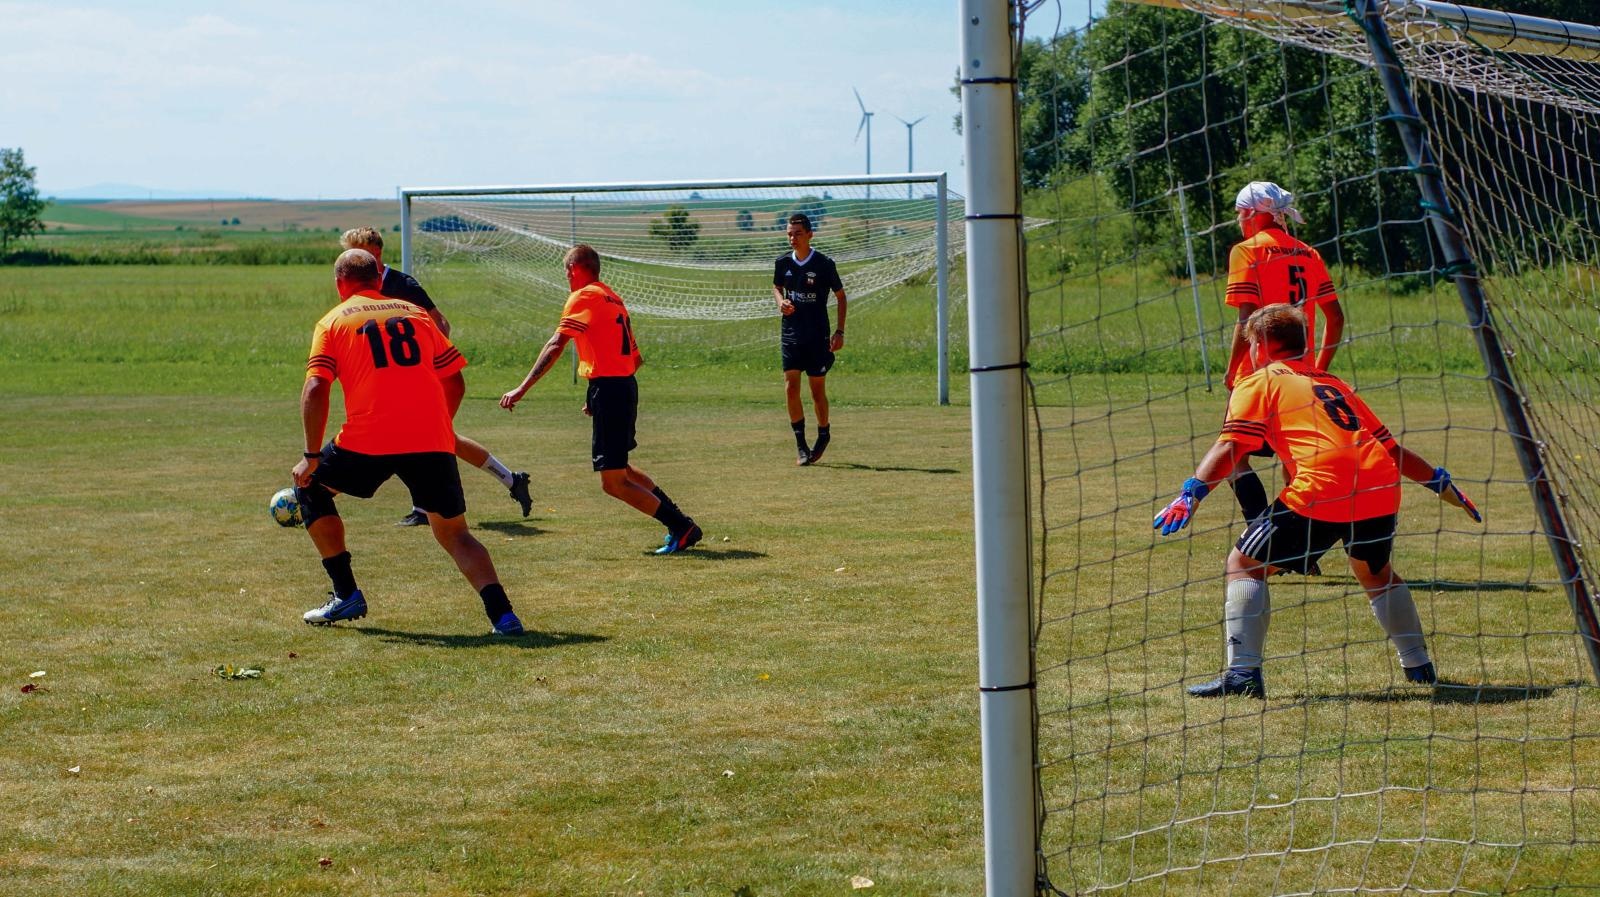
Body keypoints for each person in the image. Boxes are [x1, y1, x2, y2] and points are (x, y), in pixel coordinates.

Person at [1153, 304, 1481, 698]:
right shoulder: (1333, 382)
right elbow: (1390, 449)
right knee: (1375, 574)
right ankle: (1419, 666)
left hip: (1324, 487)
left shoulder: (1260, 381)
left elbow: (1231, 444)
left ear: (1261, 344)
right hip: (1379, 485)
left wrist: (1190, 494)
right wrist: (1440, 484)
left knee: (1243, 565)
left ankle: (1242, 677)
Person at [293, 249, 524, 634]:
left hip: (368, 439)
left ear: (340, 284)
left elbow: (316, 385)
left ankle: (346, 594)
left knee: (311, 489)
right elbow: (455, 380)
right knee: (455, 533)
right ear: (378, 279)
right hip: (429, 440)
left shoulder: (332, 321)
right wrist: (437, 428)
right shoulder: (415, 313)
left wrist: (311, 455)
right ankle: (504, 617)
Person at [499, 244, 702, 554]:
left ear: (574, 270)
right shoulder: (613, 297)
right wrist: (597, 391)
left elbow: (556, 345)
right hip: (622, 386)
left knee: (613, 482)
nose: (566, 278)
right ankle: (681, 524)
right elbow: (634, 359)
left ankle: (681, 526)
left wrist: (521, 388)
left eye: (566, 272)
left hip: (611, 390)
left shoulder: (583, 296)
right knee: (625, 471)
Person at [338, 227, 532, 525]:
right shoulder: (360, 287)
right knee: (440, 439)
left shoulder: (400, 284)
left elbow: (442, 323)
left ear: (377, 253)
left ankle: (425, 508)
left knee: (424, 440)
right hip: (400, 385)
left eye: (362, 254)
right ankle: (511, 480)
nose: (357, 259)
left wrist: (426, 362)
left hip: (425, 381)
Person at [1220, 182, 1345, 526]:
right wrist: (1318, 368)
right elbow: (1336, 318)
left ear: (1249, 214)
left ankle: (1261, 532)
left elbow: (1246, 319)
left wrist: (1232, 371)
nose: (1238, 221)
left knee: (1231, 458)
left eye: (1238, 214)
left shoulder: (1247, 250)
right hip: (1300, 377)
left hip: (1259, 376)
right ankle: (1300, 548)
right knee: (1295, 465)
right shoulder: (1308, 253)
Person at [773, 213, 847, 466]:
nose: (793, 238)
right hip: (791, 334)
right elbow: (776, 287)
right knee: (790, 387)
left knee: (817, 392)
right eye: (789, 234)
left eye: (798, 233)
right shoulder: (782, 263)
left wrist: (840, 332)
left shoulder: (824, 264)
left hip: (817, 336)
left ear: (810, 235)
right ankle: (801, 445)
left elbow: (841, 297)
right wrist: (780, 301)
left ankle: (823, 433)